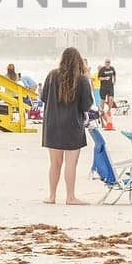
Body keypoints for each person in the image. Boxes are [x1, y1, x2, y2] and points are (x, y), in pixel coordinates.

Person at [39, 47, 94, 205]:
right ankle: (70, 197)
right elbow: (86, 105)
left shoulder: (51, 75)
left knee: (55, 163)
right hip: (72, 125)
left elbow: (43, 98)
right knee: (71, 163)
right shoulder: (82, 79)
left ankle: (52, 196)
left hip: (52, 124)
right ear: (78, 61)